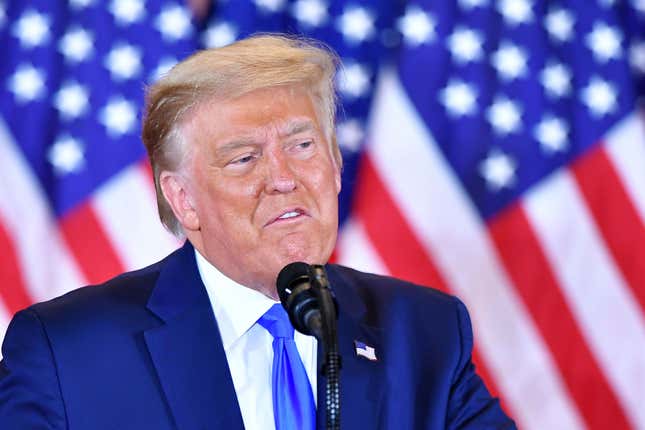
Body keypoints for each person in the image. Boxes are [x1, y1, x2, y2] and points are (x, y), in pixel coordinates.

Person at [0, 35, 515, 429]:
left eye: (303, 146)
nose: (284, 178)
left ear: (336, 167)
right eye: (244, 158)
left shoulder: (423, 331)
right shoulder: (67, 353)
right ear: (183, 199)